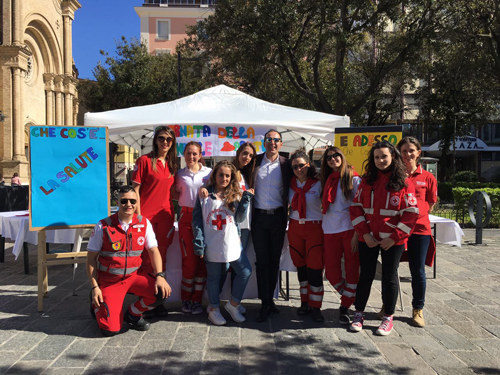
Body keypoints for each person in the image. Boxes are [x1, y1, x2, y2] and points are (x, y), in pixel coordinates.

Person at [349, 141, 418, 336]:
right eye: (377, 157)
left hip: (392, 241)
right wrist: (365, 234)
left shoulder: (404, 182)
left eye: (384, 156)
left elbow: (411, 213)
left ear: (393, 157)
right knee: (366, 276)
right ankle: (359, 313)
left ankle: (388, 317)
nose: (380, 160)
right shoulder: (366, 180)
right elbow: (356, 208)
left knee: (389, 277)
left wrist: (395, 238)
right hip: (368, 238)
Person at [86, 186, 172, 337]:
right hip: (110, 281)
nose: (129, 204)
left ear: (137, 203)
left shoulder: (144, 223)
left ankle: (133, 314)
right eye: (124, 201)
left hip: (133, 277)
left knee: (162, 292)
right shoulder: (103, 226)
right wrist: (95, 287)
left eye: (133, 201)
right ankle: (96, 304)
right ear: (117, 202)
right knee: (110, 330)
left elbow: (153, 251)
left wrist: (160, 275)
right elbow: (91, 259)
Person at [192, 161, 254, 325]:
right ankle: (214, 309)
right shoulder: (205, 194)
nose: (224, 178)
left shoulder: (235, 194)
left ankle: (233, 304)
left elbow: (240, 219)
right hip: (212, 243)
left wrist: (246, 199)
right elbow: (197, 221)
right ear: (215, 175)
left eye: (227, 175)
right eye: (221, 174)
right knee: (214, 277)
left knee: (245, 271)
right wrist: (199, 243)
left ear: (232, 177)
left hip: (232, 241)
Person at [132, 126, 177, 317]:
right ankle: (145, 299)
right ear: (156, 140)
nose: (164, 142)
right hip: (147, 219)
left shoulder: (173, 164)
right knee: (146, 260)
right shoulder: (144, 161)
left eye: (168, 139)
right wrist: (139, 217)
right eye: (161, 138)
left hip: (166, 218)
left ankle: (158, 300)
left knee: (162, 259)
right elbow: (135, 191)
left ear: (172, 143)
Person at [252, 129, 293, 322]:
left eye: (276, 140)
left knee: (275, 261)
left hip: (278, 217)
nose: (273, 143)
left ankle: (269, 301)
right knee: (262, 262)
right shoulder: (255, 162)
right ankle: (264, 303)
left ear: (281, 144)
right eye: (269, 139)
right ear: (264, 142)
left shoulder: (287, 165)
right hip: (258, 218)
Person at [397, 136, 437, 327]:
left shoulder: (428, 177)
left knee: (417, 271)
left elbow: (429, 203)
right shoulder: (395, 176)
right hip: (396, 231)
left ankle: (417, 309)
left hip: (420, 231)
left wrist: (414, 217)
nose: (408, 155)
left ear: (418, 153)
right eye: (404, 151)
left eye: (411, 150)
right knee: (389, 270)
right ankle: (387, 305)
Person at [320, 147, 361, 325]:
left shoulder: (354, 178)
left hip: (349, 230)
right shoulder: (327, 179)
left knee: (352, 270)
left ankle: (344, 307)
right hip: (329, 230)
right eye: (328, 157)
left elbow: (360, 206)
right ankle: (352, 296)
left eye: (336, 155)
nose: (332, 159)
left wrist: (357, 233)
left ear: (342, 157)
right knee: (331, 273)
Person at [175, 141, 212, 315]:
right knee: (189, 262)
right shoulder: (179, 174)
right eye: (188, 153)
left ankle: (197, 300)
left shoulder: (209, 173)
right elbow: (173, 193)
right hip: (187, 218)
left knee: (202, 262)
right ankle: (186, 298)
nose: (191, 157)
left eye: (194, 153)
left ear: (200, 154)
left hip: (205, 217)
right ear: (184, 154)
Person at [288, 150, 325, 322]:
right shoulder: (290, 184)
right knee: (301, 267)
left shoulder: (318, 183)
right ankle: (304, 303)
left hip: (314, 228)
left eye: (301, 165)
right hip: (295, 228)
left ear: (308, 165)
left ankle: (316, 306)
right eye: (295, 166)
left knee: (315, 268)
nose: (298, 169)